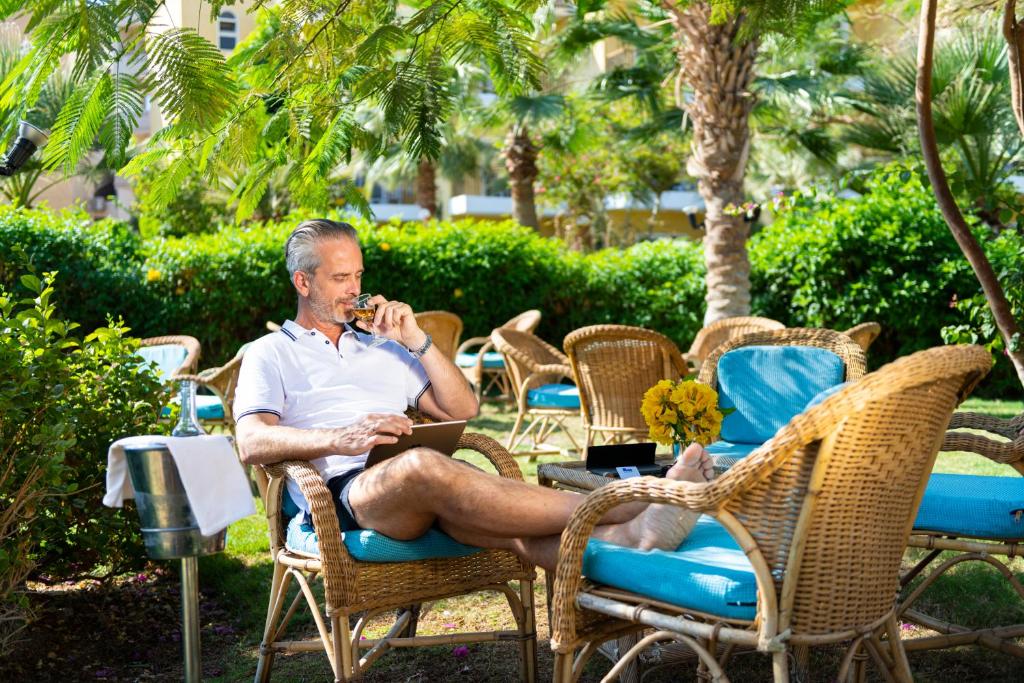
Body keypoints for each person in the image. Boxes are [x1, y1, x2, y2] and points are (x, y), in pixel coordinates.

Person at [234, 219, 713, 571]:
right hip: (347, 493)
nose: (355, 289)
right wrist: (340, 437)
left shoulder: (384, 347)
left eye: (358, 275)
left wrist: (416, 340)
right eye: (341, 278)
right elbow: (251, 440)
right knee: (423, 467)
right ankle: (627, 502)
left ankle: (631, 536)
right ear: (303, 281)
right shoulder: (269, 352)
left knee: (506, 530)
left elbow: (463, 409)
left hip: (425, 479)